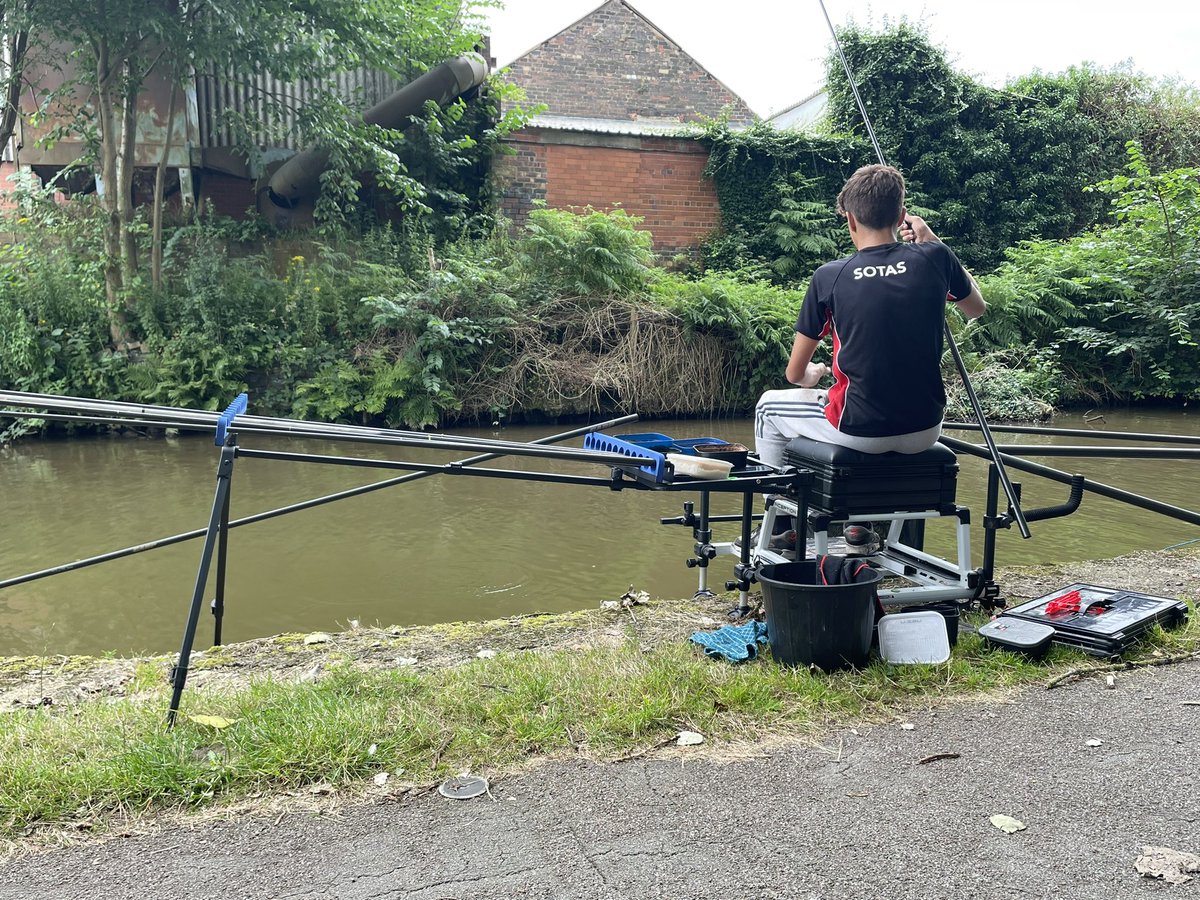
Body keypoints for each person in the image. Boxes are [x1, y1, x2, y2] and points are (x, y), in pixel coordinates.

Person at [754, 164, 986, 471]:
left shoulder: (829, 276)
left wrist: (812, 376)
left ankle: (778, 509)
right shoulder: (935, 257)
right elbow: (976, 307)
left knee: (767, 407)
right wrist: (932, 240)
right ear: (902, 214)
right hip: (925, 431)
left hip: (859, 431)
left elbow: (795, 374)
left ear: (850, 218)